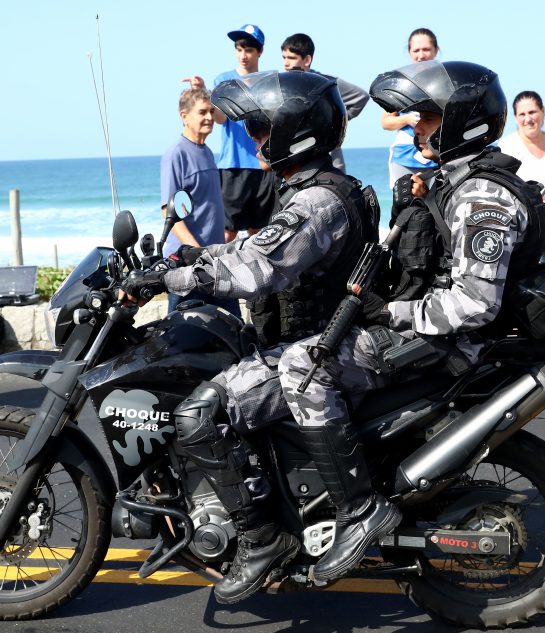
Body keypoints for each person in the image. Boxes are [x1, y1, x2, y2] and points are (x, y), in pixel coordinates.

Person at [278, 60, 539, 583]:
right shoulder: (457, 182)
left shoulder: (483, 196)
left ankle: (357, 513)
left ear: (462, 120)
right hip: (445, 330)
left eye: (426, 117)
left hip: (455, 341)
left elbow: (473, 305)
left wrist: (395, 313)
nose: (415, 125)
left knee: (303, 367)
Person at [121, 70, 377, 604]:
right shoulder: (312, 190)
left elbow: (259, 267)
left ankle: (263, 539)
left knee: (199, 415)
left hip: (314, 347)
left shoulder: (317, 202)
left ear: (295, 132)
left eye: (263, 129)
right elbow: (253, 248)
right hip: (315, 338)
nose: (256, 139)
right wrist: (193, 257)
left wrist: (171, 278)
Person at [186, 25, 276, 242]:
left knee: (261, 232)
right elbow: (220, 118)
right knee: (228, 232)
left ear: (260, 51)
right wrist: (203, 91)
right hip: (233, 165)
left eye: (249, 50)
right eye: (239, 49)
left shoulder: (270, 79)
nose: (243, 55)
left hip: (264, 163)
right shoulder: (223, 81)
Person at [159, 87, 239, 316]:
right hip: (188, 265)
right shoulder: (176, 154)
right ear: (184, 116)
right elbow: (169, 212)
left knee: (234, 330)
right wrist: (196, 252)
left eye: (211, 112)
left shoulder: (206, 151)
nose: (209, 117)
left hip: (214, 262)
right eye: (202, 112)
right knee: (182, 335)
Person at [280, 33, 370, 173]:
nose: (286, 63)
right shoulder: (283, 86)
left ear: (307, 59)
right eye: (284, 57)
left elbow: (361, 97)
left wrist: (335, 122)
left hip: (330, 162)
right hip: (296, 162)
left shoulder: (324, 82)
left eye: (292, 58)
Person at [382, 28, 440, 188]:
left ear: (436, 50)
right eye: (416, 50)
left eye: (426, 49)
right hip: (405, 156)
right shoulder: (400, 83)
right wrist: (407, 119)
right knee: (405, 206)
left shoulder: (446, 80)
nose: (421, 55)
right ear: (409, 53)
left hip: (438, 154)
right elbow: (386, 122)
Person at [497, 91, 545, 186]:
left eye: (532, 112)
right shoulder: (506, 146)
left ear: (542, 111)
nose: (528, 119)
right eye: (522, 114)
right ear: (515, 117)